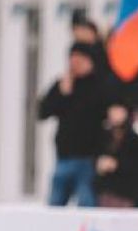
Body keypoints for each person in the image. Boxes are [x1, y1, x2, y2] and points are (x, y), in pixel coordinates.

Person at [38, 43, 108, 207]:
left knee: (86, 203)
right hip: (64, 156)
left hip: (88, 158)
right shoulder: (64, 84)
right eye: (72, 59)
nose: (75, 64)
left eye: (80, 60)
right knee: (55, 205)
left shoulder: (100, 86)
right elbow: (43, 112)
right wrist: (62, 94)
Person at [94, 104, 138, 207]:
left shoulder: (136, 139)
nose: (115, 115)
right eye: (113, 110)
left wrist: (117, 165)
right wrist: (98, 164)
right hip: (104, 192)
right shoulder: (103, 135)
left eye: (119, 111)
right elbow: (94, 158)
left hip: (127, 193)